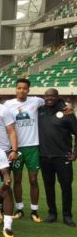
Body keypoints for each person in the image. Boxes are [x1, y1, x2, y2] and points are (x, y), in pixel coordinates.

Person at [4, 78, 45, 222]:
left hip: (33, 146)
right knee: (17, 179)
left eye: (24, 88)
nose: (21, 91)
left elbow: (54, 101)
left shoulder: (36, 101)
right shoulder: (8, 104)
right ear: (16, 89)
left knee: (33, 179)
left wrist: (66, 106)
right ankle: (19, 208)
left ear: (28, 90)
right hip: (16, 148)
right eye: (19, 88)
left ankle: (34, 210)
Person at [37, 88, 77, 226]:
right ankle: (52, 212)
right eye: (47, 96)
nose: (49, 98)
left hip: (62, 157)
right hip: (44, 157)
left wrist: (75, 152)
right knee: (49, 186)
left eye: (52, 96)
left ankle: (67, 215)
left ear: (57, 96)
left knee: (66, 186)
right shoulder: (40, 110)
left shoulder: (67, 111)